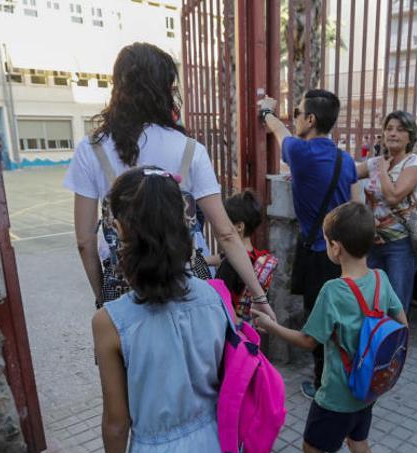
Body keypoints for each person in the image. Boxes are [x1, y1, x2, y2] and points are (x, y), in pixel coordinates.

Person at [64, 43, 274, 321]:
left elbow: (84, 239)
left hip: (124, 281)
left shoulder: (92, 149)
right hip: (186, 279)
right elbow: (225, 233)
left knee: (129, 361)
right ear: (166, 89)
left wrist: (102, 296)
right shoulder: (189, 150)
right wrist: (258, 296)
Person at [92, 167, 238, 453]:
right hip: (216, 452)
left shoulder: (110, 322)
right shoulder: (215, 296)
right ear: (184, 223)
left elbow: (116, 423)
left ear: (118, 229)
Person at [251, 202, 407, 453]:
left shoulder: (333, 292)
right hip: (369, 388)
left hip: (337, 395)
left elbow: (309, 341)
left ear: (336, 248)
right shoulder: (380, 279)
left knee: (312, 448)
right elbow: (402, 322)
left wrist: (271, 327)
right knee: (359, 445)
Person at [258, 90, 358, 399]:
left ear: (311, 119)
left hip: (319, 254)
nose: (294, 119)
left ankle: (323, 387)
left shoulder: (302, 153)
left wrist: (266, 111)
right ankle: (351, 376)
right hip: (348, 255)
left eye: (298, 113)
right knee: (343, 321)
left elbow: (278, 130)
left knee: (319, 323)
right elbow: (357, 204)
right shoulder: (345, 159)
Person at [355, 110, 417, 308]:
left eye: (400, 130)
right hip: (373, 240)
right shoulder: (375, 162)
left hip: (400, 244)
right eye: (389, 129)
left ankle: (397, 338)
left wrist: (383, 170)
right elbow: (346, 174)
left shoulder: (415, 163)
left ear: (410, 136)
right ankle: (376, 338)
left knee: (396, 301)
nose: (393, 133)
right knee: (370, 298)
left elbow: (393, 197)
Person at [210, 190, 277, 321]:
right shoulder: (258, 258)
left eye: (224, 222)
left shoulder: (230, 265)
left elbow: (219, 302)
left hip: (230, 329)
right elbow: (222, 256)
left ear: (239, 227)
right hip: (249, 327)